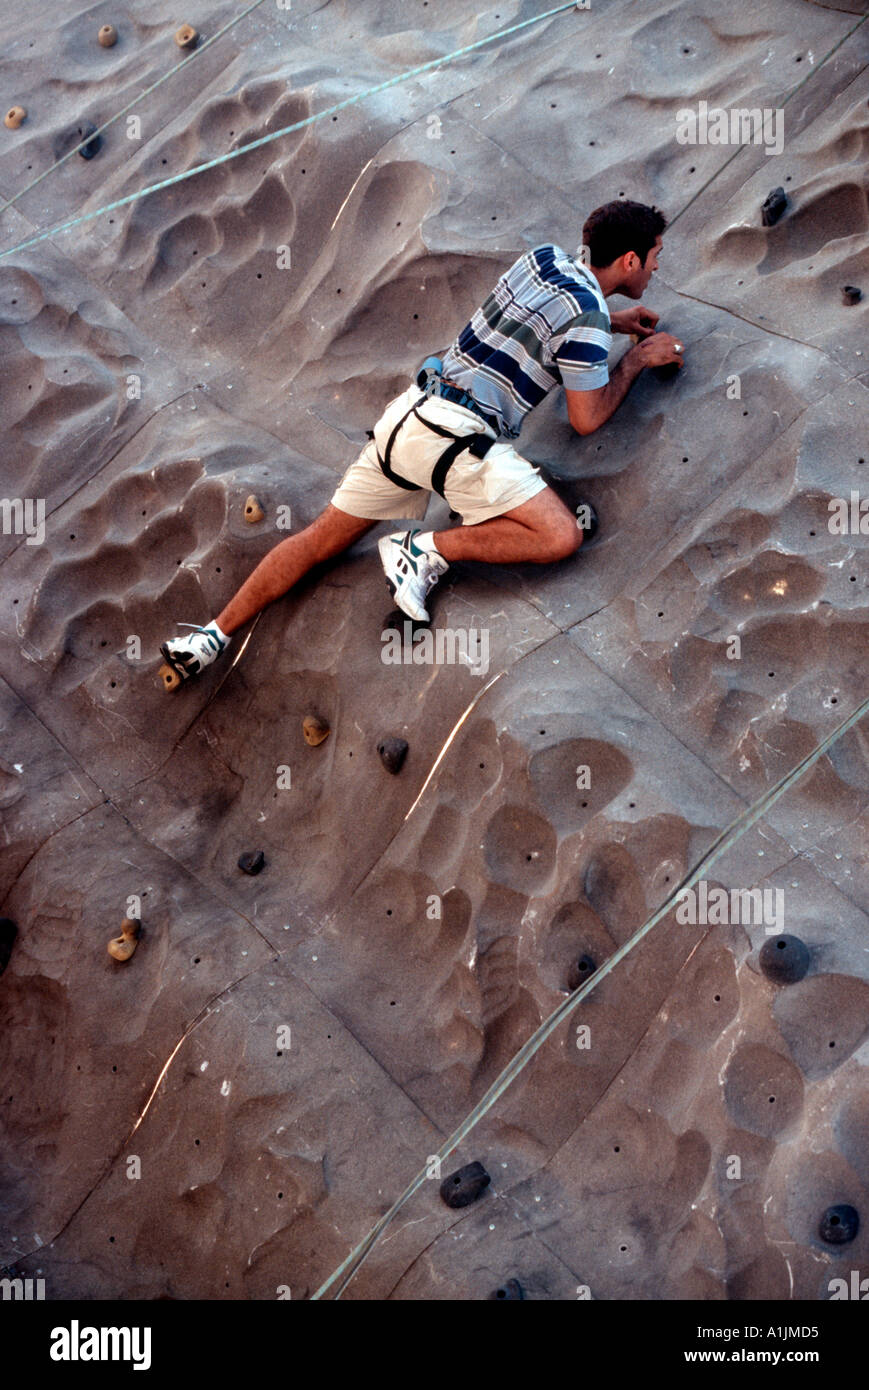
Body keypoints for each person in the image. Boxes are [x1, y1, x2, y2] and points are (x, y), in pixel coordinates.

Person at [160, 198, 684, 681]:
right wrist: (635, 359)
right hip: (455, 440)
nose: (659, 267)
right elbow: (586, 418)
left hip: (407, 416)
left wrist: (612, 325)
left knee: (318, 540)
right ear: (631, 261)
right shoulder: (588, 318)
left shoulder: (542, 260)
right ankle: (423, 549)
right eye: (656, 256)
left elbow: (537, 324)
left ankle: (212, 636)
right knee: (560, 535)